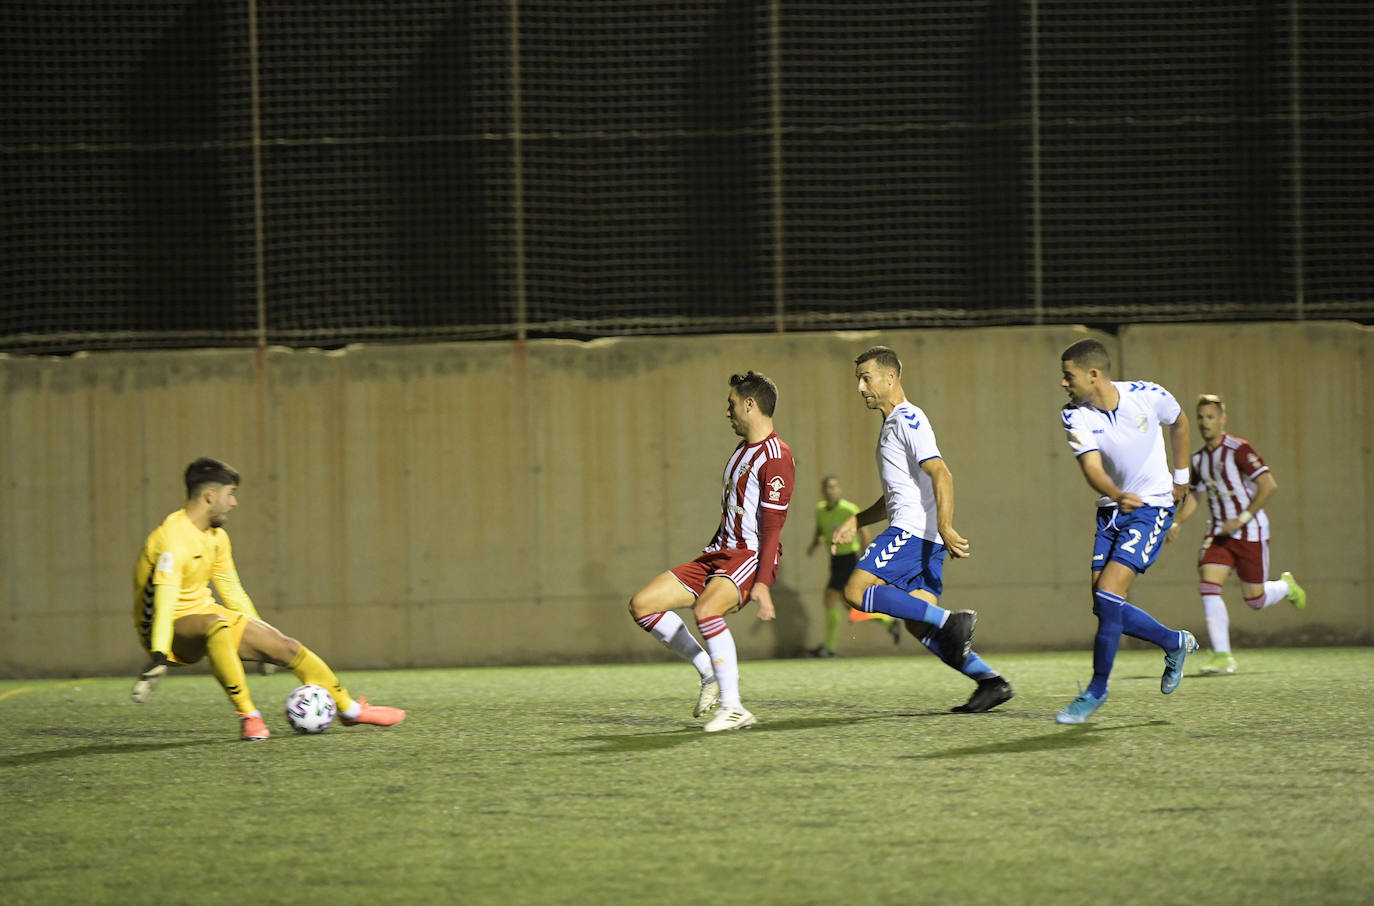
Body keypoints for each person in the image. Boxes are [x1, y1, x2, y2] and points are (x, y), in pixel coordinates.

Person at [131, 457, 405, 740]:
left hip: (205, 613)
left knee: (287, 647)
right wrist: (158, 656)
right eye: (231, 494)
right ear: (210, 496)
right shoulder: (172, 540)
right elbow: (163, 604)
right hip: (165, 630)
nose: (234, 503)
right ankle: (249, 717)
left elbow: (232, 591)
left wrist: (262, 637)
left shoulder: (216, 537)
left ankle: (349, 711)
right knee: (216, 624)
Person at [831, 346, 1014, 714]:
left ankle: (952, 620)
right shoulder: (892, 426)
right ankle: (991, 682)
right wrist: (856, 520)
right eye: (858, 380)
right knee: (917, 623)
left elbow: (941, 473)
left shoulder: (907, 419)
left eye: (866, 378)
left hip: (913, 533)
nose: (860, 387)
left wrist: (945, 524)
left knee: (855, 591)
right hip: (922, 537)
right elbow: (896, 496)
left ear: (890, 377)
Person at [628, 371, 795, 732]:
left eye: (731, 404)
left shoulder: (776, 457)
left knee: (706, 610)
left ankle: (734, 708)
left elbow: (771, 527)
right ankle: (709, 673)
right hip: (718, 553)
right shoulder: (742, 452)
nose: (727, 412)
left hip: (748, 557)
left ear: (750, 405)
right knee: (643, 605)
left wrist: (763, 582)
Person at [1054, 338, 1198, 724]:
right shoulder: (1074, 415)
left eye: (1068, 376)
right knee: (1105, 605)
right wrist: (1117, 494)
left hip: (1150, 510)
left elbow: (1180, 422)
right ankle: (1175, 642)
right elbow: (1092, 470)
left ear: (1094, 374)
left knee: (1108, 594)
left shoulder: (1148, 395)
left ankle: (1095, 691)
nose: (1063, 384)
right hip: (1111, 512)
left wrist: (1181, 477)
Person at [1166, 393, 1306, 675]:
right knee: (1208, 582)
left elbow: (1268, 485)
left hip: (1250, 531)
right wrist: (1178, 521)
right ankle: (1222, 656)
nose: (1206, 423)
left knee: (1255, 600)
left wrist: (1241, 518)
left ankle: (1286, 587)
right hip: (1219, 533)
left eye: (1211, 417)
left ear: (1222, 420)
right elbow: (1195, 496)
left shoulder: (1239, 449)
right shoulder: (1199, 460)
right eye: (1201, 418)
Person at [805, 475, 898, 657]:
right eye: (826, 487)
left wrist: (868, 558)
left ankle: (829, 648)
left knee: (830, 598)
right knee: (851, 606)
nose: (829, 490)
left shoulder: (849, 509)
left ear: (839, 489)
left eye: (833, 487)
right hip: (835, 560)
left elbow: (864, 533)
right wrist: (815, 543)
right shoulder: (820, 510)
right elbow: (820, 529)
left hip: (849, 559)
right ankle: (888, 622)